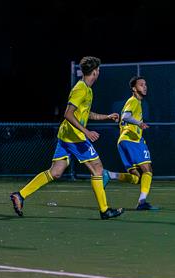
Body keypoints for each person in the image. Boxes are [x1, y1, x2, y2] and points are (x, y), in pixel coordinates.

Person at [10, 56, 124, 220]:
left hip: (66, 136)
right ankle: (105, 210)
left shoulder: (87, 89)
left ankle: (20, 195)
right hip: (76, 138)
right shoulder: (80, 89)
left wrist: (107, 116)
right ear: (94, 72)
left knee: (55, 172)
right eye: (98, 69)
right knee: (98, 168)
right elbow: (68, 114)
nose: (99, 72)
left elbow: (84, 114)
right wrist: (86, 132)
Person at [103, 76, 158, 210]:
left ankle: (110, 175)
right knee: (148, 170)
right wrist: (140, 123)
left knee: (137, 178)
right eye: (141, 85)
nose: (144, 87)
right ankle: (142, 202)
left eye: (145, 84)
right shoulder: (133, 101)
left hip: (123, 141)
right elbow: (126, 116)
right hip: (132, 140)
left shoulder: (136, 102)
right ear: (134, 89)